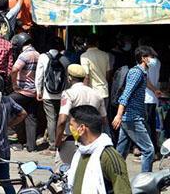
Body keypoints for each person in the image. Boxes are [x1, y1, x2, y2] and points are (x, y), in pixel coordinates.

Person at [113, 45, 160, 173]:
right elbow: (126, 94)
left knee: (121, 152)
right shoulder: (136, 73)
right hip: (132, 118)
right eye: (152, 57)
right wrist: (118, 115)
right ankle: (145, 182)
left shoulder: (142, 73)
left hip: (131, 118)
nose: (154, 59)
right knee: (149, 150)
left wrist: (155, 90)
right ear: (144, 58)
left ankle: (112, 178)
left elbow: (146, 83)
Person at [67, 105, 131, 194]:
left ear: (82, 129)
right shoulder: (80, 152)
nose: (70, 129)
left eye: (71, 125)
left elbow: (123, 190)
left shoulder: (109, 157)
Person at [55, 64, 108, 165]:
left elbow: (62, 121)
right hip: (92, 141)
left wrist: (57, 142)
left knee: (62, 175)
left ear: (69, 78)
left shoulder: (68, 93)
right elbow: (104, 120)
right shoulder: (97, 94)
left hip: (71, 140)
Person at [0, 72, 26, 194]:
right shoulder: (7, 100)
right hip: (4, 149)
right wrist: (8, 124)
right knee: (6, 181)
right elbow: (23, 113)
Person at [35, 36, 70, 150]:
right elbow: (67, 78)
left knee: (51, 119)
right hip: (62, 94)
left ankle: (52, 144)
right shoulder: (65, 59)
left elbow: (39, 75)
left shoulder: (43, 57)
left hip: (47, 94)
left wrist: (38, 90)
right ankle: (61, 140)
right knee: (62, 118)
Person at [10, 32, 39, 152]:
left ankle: (16, 138)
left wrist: (14, 85)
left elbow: (14, 69)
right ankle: (31, 146)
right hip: (34, 92)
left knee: (5, 103)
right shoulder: (39, 54)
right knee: (31, 117)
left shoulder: (24, 55)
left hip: (22, 91)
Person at [80, 34, 112, 105]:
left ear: (86, 43)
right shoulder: (105, 55)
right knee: (104, 115)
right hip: (104, 91)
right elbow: (108, 75)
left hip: (92, 93)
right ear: (97, 43)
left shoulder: (84, 56)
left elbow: (86, 76)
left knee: (92, 115)